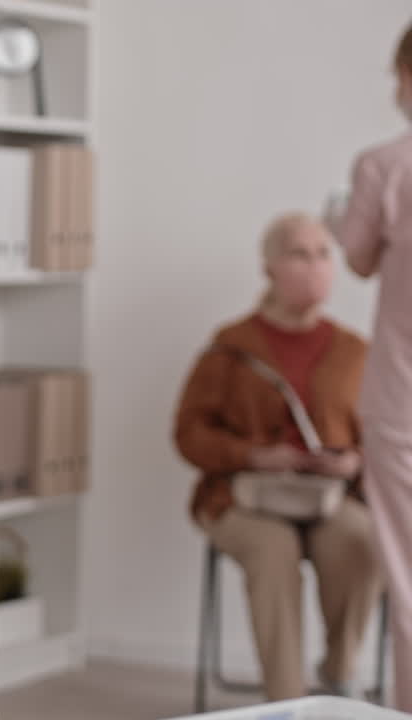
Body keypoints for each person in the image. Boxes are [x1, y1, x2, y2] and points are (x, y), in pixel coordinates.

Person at [174, 213, 381, 700]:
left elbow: (384, 435)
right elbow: (188, 434)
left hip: (331, 498)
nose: (314, 267)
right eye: (299, 254)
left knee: (363, 542)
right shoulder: (229, 348)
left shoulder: (355, 351)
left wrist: (354, 461)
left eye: (323, 254)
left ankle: (339, 674)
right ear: (269, 268)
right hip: (244, 497)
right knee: (273, 552)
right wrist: (253, 454)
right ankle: (287, 702)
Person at [334, 21, 412, 712]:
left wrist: (338, 220)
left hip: (403, 404)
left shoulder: (386, 165)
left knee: (410, 574)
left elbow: (356, 257)